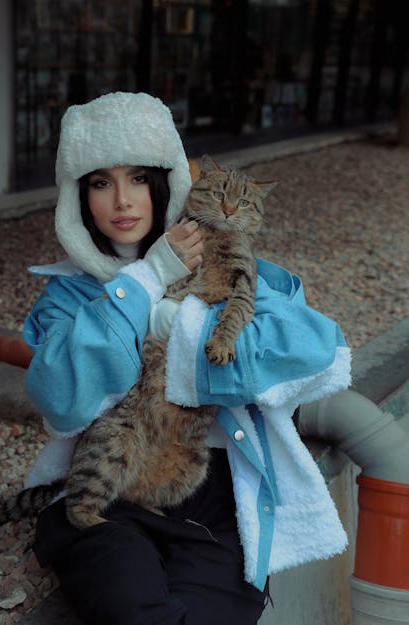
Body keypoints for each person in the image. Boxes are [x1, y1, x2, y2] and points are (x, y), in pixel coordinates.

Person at [22, 92, 351, 625]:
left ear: (168, 181)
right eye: (101, 182)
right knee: (133, 606)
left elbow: (311, 348)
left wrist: (181, 330)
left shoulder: (226, 253)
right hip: (115, 490)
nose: (123, 201)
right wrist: (147, 281)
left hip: (212, 491)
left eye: (138, 178)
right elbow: (62, 397)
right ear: (78, 197)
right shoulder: (66, 295)